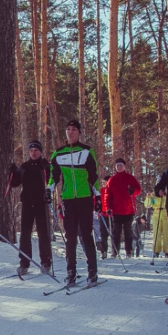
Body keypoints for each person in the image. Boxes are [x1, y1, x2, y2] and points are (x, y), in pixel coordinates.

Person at [50, 119, 100, 286]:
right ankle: (71, 272)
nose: (70, 132)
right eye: (68, 129)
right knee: (70, 237)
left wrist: (98, 196)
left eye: (74, 129)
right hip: (68, 200)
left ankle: (92, 271)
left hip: (85, 198)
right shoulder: (58, 153)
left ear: (79, 133)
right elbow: (54, 176)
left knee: (86, 235)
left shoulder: (86, 151)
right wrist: (48, 189)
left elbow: (94, 176)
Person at [9, 140, 52, 276]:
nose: (33, 153)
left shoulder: (44, 165)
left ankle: (46, 261)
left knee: (43, 233)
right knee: (25, 234)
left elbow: (51, 181)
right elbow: (15, 183)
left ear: (40, 152)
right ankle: (24, 263)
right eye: (31, 151)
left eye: (36, 151)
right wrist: (12, 172)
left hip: (41, 203)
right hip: (27, 203)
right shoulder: (24, 166)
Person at [106, 158, 142, 257]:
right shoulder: (112, 180)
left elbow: (138, 189)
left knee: (128, 232)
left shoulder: (130, 178)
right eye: (117, 165)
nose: (119, 167)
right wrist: (108, 207)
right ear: (115, 167)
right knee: (116, 232)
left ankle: (129, 251)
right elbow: (107, 195)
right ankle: (115, 251)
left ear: (124, 166)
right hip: (116, 210)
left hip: (129, 210)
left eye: (121, 165)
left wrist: (133, 191)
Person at [145, 191, 168, 257]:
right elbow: (148, 205)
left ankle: (167, 250)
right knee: (156, 233)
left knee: (166, 233)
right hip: (157, 213)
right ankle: (156, 250)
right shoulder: (154, 194)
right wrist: (148, 198)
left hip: (166, 213)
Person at [98, 175, 112, 258]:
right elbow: (96, 200)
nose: (103, 184)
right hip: (103, 214)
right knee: (103, 234)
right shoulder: (101, 191)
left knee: (113, 233)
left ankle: (114, 251)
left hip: (112, 214)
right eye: (102, 183)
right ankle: (104, 251)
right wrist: (97, 208)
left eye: (105, 182)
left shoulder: (112, 190)